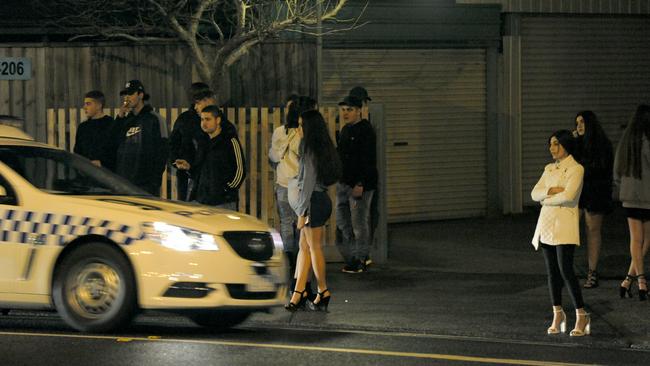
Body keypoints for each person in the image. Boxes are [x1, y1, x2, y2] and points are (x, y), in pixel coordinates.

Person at [531, 129, 590, 337]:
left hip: (564, 224)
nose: (552, 148)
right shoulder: (549, 168)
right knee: (551, 272)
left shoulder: (576, 169)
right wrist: (550, 191)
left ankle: (581, 314)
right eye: (550, 144)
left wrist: (545, 198)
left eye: (556, 144)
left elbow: (569, 196)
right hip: (546, 224)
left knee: (566, 269)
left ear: (565, 145)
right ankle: (558, 313)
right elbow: (534, 193)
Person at [285, 110, 341, 312]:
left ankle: (323, 290)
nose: (298, 129)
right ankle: (298, 291)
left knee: (314, 247)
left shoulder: (308, 150)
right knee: (305, 247)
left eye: (301, 125)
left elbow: (307, 183)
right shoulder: (323, 147)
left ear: (308, 129)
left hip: (312, 203)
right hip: (319, 200)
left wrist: (301, 213)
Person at [269, 95, 316, 276]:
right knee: (300, 222)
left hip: (284, 182)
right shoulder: (301, 133)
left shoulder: (280, 132)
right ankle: (298, 256)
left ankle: (290, 257)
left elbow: (273, 156)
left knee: (287, 222)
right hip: (297, 183)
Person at [335, 95, 378, 273]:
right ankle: (357, 254)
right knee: (343, 220)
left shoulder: (366, 130)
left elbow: (367, 159)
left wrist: (360, 183)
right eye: (344, 110)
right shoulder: (345, 130)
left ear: (359, 110)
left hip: (359, 184)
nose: (346, 113)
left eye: (350, 109)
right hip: (344, 182)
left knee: (358, 222)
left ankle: (360, 258)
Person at [572, 111, 614, 289]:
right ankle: (565, 269)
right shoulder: (578, 144)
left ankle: (592, 272)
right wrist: (573, 142)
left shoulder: (602, 145)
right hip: (578, 192)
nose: (579, 126)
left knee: (592, 231)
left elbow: (601, 169)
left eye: (582, 122)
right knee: (570, 228)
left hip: (595, 192)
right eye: (577, 123)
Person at [614, 104, 650, 301]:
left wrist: (618, 187)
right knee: (646, 240)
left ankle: (629, 280)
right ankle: (642, 281)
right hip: (647, 196)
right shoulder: (648, 140)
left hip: (629, 196)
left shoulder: (626, 140)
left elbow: (617, 167)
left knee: (636, 240)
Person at [180, 105, 245, 210]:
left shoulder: (229, 141)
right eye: (202, 119)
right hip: (201, 200)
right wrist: (189, 167)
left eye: (208, 119)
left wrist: (225, 190)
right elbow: (199, 170)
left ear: (218, 120)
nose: (204, 123)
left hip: (222, 202)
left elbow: (240, 170)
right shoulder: (202, 142)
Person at [113, 80, 167, 195]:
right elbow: (112, 143)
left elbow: (163, 151)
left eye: (131, 93)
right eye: (125, 94)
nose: (127, 97)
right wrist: (120, 117)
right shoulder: (125, 120)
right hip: (124, 182)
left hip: (145, 185)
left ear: (141, 95)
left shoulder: (154, 119)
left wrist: (154, 182)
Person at [168, 82, 211, 201]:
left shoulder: (214, 119)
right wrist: (176, 161)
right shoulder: (184, 119)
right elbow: (173, 143)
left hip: (207, 176)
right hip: (186, 175)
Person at [74, 90, 115, 169]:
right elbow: (77, 151)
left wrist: (102, 162)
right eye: (85, 104)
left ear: (99, 105)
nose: (84, 107)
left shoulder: (111, 125)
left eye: (88, 104)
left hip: (107, 173)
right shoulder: (82, 127)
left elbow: (115, 151)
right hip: (85, 172)